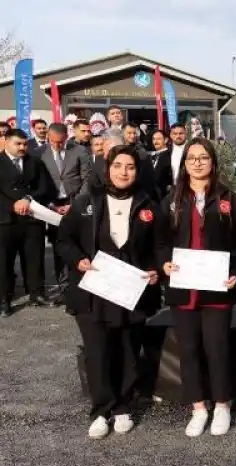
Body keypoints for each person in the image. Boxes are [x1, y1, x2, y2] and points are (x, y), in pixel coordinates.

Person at [56, 144, 164, 439]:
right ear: (107, 168)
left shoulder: (150, 206)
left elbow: (160, 247)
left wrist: (156, 269)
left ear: (137, 171)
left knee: (129, 350)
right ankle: (101, 410)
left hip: (131, 291)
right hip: (93, 293)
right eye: (118, 166)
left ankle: (124, 407)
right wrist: (78, 260)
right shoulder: (85, 203)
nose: (123, 172)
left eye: (129, 167)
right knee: (98, 352)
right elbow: (63, 240)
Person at [160, 137, 236, 437]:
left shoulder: (229, 198)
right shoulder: (171, 199)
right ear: (184, 164)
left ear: (213, 162)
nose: (197, 163)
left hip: (216, 288)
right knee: (188, 349)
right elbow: (159, 241)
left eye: (203, 157)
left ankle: (222, 405)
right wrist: (164, 263)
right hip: (183, 289)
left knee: (217, 348)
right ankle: (198, 407)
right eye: (191, 158)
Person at [0, 129, 58, 317]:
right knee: (4, 262)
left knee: (34, 258)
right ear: (6, 142)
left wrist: (27, 198)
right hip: (5, 221)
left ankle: (36, 294)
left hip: (32, 219)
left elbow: (46, 188)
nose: (22, 147)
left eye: (25, 144)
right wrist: (13, 204)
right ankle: (4, 300)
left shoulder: (35, 162)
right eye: (18, 144)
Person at [38, 123, 91, 292]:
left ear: (66, 138)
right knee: (58, 243)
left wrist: (75, 204)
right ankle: (63, 281)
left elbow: (87, 179)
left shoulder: (79, 151)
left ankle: (80, 278)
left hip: (74, 201)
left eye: (60, 142)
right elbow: (39, 182)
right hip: (52, 204)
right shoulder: (40, 154)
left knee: (78, 241)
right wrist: (51, 205)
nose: (56, 145)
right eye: (53, 142)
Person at [149, 130, 172, 201]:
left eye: (159, 139)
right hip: (152, 196)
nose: (155, 141)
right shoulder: (152, 156)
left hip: (164, 196)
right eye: (154, 139)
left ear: (166, 140)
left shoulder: (170, 155)